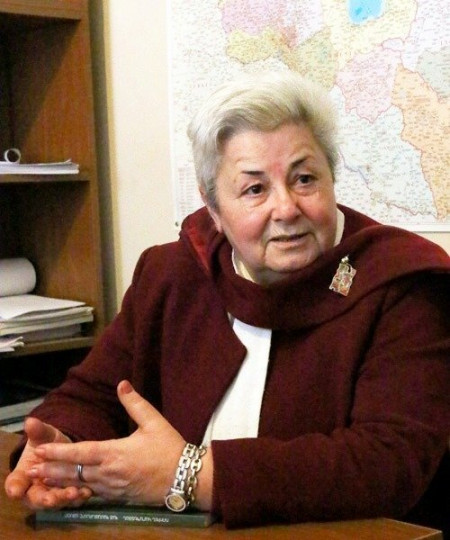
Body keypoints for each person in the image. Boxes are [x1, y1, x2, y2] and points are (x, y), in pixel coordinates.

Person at [4, 70, 450, 533]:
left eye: (304, 179)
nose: (286, 208)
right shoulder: (172, 273)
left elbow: (388, 462)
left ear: (332, 179)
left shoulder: (402, 282)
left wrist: (189, 475)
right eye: (255, 189)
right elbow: (93, 395)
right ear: (213, 208)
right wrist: (57, 448)